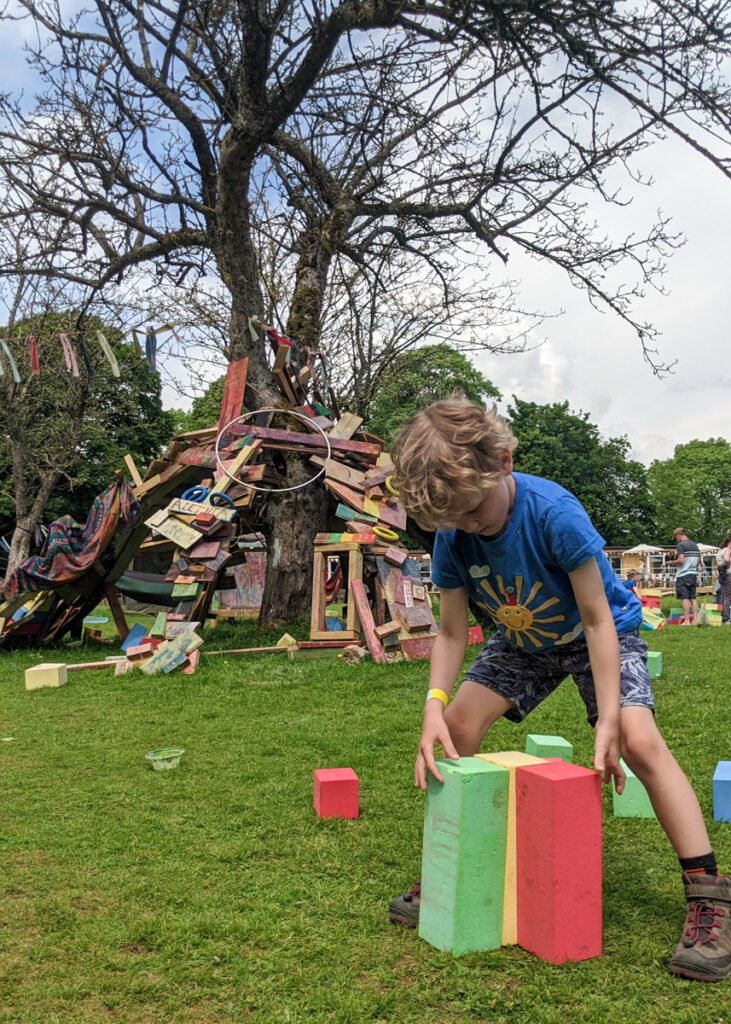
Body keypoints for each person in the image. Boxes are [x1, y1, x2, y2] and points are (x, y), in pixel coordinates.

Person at [387, 398, 730, 982]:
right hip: (524, 640)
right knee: (460, 728)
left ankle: (711, 898)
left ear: (503, 460)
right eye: (456, 523)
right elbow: (449, 632)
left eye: (473, 511)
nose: (471, 528)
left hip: (599, 633)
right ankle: (454, 867)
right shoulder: (453, 533)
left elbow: (598, 621)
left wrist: (608, 720)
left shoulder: (555, 514)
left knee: (640, 740)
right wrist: (433, 708)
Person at [667, 528, 700, 625]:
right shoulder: (695, 545)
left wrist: (672, 562)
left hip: (683, 574)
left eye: (675, 538)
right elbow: (698, 561)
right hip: (693, 574)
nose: (676, 540)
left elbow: (681, 560)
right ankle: (695, 620)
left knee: (684, 598)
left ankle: (686, 621)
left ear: (678, 535)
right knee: (693, 598)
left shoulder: (681, 545)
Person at [717, 535, 731, 624]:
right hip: (728, 573)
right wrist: (729, 565)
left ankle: (722, 617)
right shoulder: (728, 550)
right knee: (728, 597)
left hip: (722, 574)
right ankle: (727, 618)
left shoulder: (721, 550)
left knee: (724, 596)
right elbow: (726, 559)